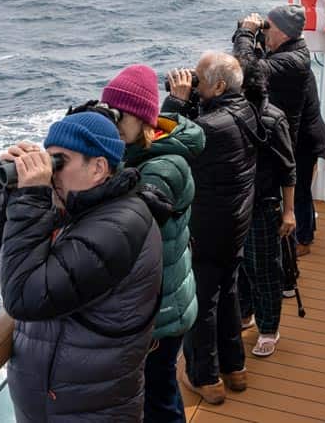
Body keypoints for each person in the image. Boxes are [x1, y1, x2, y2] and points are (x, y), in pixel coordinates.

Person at [0, 112, 163, 421]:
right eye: (48, 161)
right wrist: (1, 193)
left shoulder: (119, 226)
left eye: (59, 162)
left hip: (90, 410)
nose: (50, 173)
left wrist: (32, 197)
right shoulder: (79, 208)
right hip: (58, 402)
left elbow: (24, 297)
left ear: (98, 168)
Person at [100, 64, 203, 423]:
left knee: (158, 399)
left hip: (160, 313)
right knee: (156, 394)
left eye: (117, 117)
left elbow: (126, 227)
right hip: (154, 303)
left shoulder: (165, 166)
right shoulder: (136, 151)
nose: (109, 125)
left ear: (145, 122)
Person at [162, 52, 259, 406]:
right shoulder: (245, 109)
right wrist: (196, 100)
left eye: (199, 80)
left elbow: (161, 140)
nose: (194, 85)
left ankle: (206, 378)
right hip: (237, 220)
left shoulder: (209, 128)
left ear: (219, 86)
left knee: (201, 299)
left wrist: (175, 101)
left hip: (207, 226)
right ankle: (235, 368)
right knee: (228, 290)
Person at [233, 4, 325, 257]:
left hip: (305, 140)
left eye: (269, 29)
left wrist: (245, 34)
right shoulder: (287, 50)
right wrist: (245, 35)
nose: (265, 33)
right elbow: (253, 64)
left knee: (298, 191)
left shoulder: (293, 60)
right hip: (299, 134)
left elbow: (248, 71)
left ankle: (303, 240)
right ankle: (303, 233)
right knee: (299, 189)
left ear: (284, 33)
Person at [236, 60, 297, 359]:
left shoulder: (273, 120)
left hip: (263, 205)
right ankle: (245, 313)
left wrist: (289, 211)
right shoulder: (236, 116)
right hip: (240, 205)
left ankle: (269, 328)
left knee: (265, 270)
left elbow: (288, 169)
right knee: (242, 266)